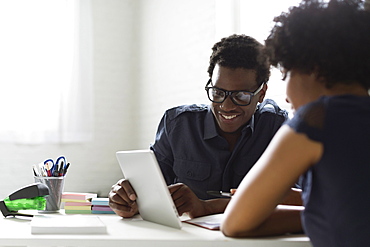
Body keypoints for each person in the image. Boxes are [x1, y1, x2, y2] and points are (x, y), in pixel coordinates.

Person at [221, 1, 370, 246]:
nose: (287, 97)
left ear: (313, 68)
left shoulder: (317, 120)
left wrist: (313, 216)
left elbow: (234, 223)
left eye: (286, 74)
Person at [109, 34, 291, 219]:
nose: (226, 106)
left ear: (261, 94)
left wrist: (207, 207)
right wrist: (129, 201)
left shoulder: (278, 128)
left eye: (241, 96)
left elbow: (297, 200)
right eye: (218, 92)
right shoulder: (178, 125)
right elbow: (148, 192)